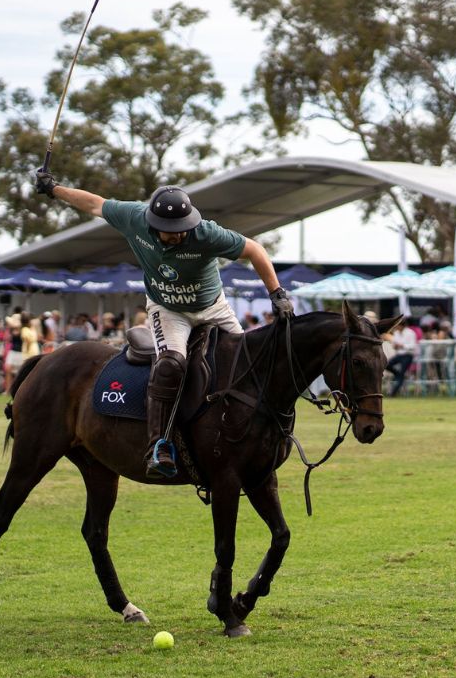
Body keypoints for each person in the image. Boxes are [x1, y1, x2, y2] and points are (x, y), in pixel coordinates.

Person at [36, 171, 294, 478]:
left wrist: (276, 293)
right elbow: (95, 204)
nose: (177, 234)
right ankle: (159, 444)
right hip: (168, 310)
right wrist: (55, 189)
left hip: (213, 308)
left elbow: (255, 250)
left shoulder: (207, 234)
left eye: (182, 229)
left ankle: (263, 432)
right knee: (171, 364)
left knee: (250, 363)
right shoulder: (133, 218)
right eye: (169, 231)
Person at [385, 316, 418, 396]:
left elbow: (413, 346)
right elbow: (394, 344)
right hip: (399, 354)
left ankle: (393, 392)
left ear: (402, 326)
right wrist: (395, 346)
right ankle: (398, 374)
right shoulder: (396, 333)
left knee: (402, 372)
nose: (397, 328)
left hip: (408, 355)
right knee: (386, 365)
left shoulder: (410, 333)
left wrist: (402, 345)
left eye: (398, 326)